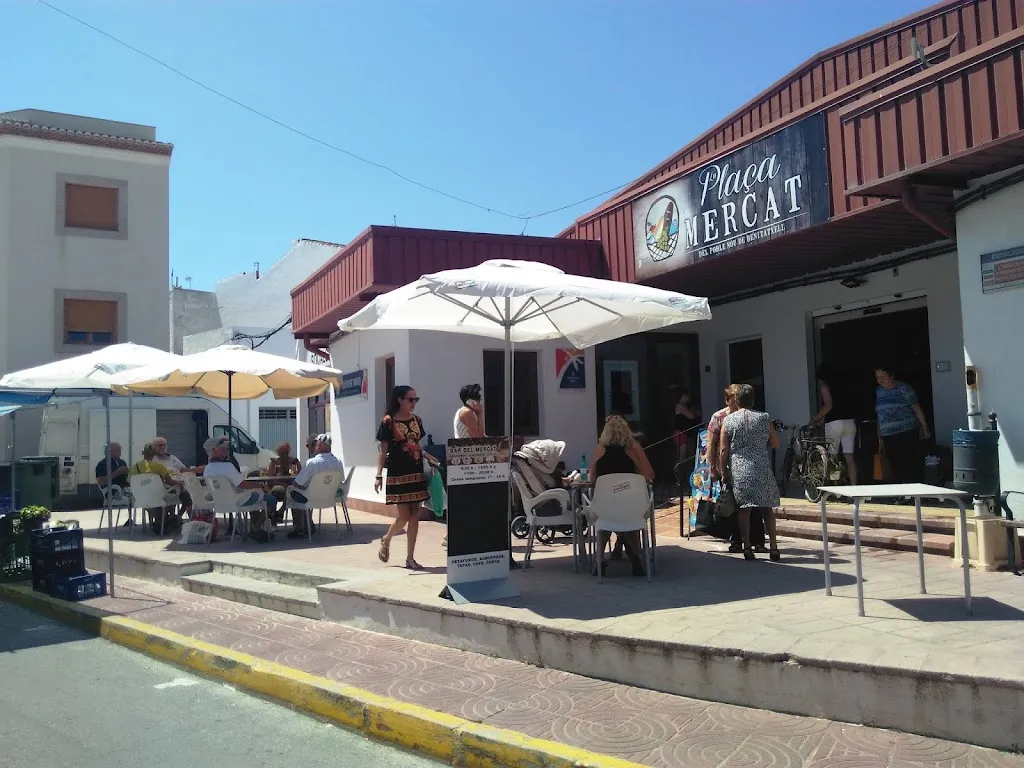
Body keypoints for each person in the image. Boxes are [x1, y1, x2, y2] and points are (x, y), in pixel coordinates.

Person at [376, 386, 436, 570]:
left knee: (415, 515)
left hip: (416, 471)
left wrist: (427, 456)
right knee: (404, 516)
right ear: (400, 400)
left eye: (415, 399)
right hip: (398, 472)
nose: (413, 403)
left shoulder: (417, 420)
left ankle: (410, 558)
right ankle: (386, 539)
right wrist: (378, 474)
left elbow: (416, 444)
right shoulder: (388, 421)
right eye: (410, 399)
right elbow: (383, 450)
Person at [719, 384, 781, 561]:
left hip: (739, 469)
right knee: (767, 508)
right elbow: (775, 443)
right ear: (753, 400)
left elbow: (723, 450)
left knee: (744, 510)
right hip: (761, 467)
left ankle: (747, 546)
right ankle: (774, 547)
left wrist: (724, 472)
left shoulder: (729, 421)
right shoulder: (764, 418)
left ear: (736, 401)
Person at [589, 414, 655, 577]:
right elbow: (649, 474)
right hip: (632, 506)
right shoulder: (633, 448)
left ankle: (599, 559)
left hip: (606, 508)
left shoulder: (600, 449)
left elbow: (592, 479)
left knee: (605, 520)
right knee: (628, 517)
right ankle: (636, 555)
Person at [707, 385, 765, 553]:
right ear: (728, 400)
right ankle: (737, 539)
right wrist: (713, 468)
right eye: (734, 399)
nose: (737, 402)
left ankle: (757, 539)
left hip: (748, 466)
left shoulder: (750, 416)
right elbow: (712, 445)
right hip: (727, 467)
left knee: (753, 504)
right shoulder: (719, 417)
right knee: (734, 506)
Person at [201, 435, 275, 543]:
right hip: (238, 500)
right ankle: (256, 528)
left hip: (221, 502)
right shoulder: (227, 466)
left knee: (256, 497)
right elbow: (242, 484)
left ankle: (255, 527)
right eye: (223, 449)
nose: (226, 451)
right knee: (271, 499)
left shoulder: (207, 469)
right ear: (214, 450)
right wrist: (261, 486)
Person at [874, 365, 931, 485]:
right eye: (877, 377)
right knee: (894, 463)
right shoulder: (879, 391)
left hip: (907, 431)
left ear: (891, 376)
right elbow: (880, 412)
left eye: (883, 377)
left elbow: (916, 408)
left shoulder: (904, 388)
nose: (880, 380)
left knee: (910, 462)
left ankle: (914, 492)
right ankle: (901, 493)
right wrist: (879, 432)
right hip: (888, 433)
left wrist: (925, 427)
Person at [286, 434, 343, 539]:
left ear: (319, 445)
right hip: (330, 498)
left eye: (315, 443)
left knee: (294, 491)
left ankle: (299, 528)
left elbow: (297, 483)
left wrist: (290, 487)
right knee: (303, 491)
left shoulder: (312, 463)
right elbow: (341, 480)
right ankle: (308, 524)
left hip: (311, 498)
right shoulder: (338, 462)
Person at [812, 364, 857, 485]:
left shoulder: (825, 385)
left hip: (834, 423)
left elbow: (829, 405)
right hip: (850, 422)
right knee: (850, 458)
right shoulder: (846, 385)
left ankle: (836, 489)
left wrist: (815, 419)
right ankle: (854, 488)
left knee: (833, 457)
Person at [129, 442, 184, 534]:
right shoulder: (158, 466)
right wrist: (179, 484)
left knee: (153, 503)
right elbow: (170, 482)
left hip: (139, 498)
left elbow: (130, 481)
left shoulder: (134, 467)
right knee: (176, 496)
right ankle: (172, 518)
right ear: (154, 453)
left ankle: (163, 520)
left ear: (143, 453)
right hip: (158, 498)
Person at [152, 436, 192, 513]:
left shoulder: (172, 458)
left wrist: (196, 470)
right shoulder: (153, 459)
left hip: (178, 484)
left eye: (164, 445)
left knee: (191, 493)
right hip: (163, 487)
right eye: (159, 445)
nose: (162, 447)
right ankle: (172, 518)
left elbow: (183, 469)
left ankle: (178, 516)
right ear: (154, 447)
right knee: (184, 494)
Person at [265, 441, 302, 524]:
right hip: (278, 486)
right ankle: (276, 517)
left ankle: (281, 512)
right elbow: (269, 480)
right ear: (278, 453)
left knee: (293, 491)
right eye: (282, 453)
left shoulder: (294, 462)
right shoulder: (274, 463)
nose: (284, 455)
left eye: (286, 452)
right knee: (277, 491)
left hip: (292, 486)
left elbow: (301, 475)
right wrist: (282, 483)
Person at [673, 387, 700, 475]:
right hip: (681, 433)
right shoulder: (680, 406)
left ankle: (683, 474)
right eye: (686, 396)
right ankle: (679, 475)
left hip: (685, 432)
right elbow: (691, 416)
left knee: (685, 455)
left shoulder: (685, 406)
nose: (688, 398)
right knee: (682, 455)